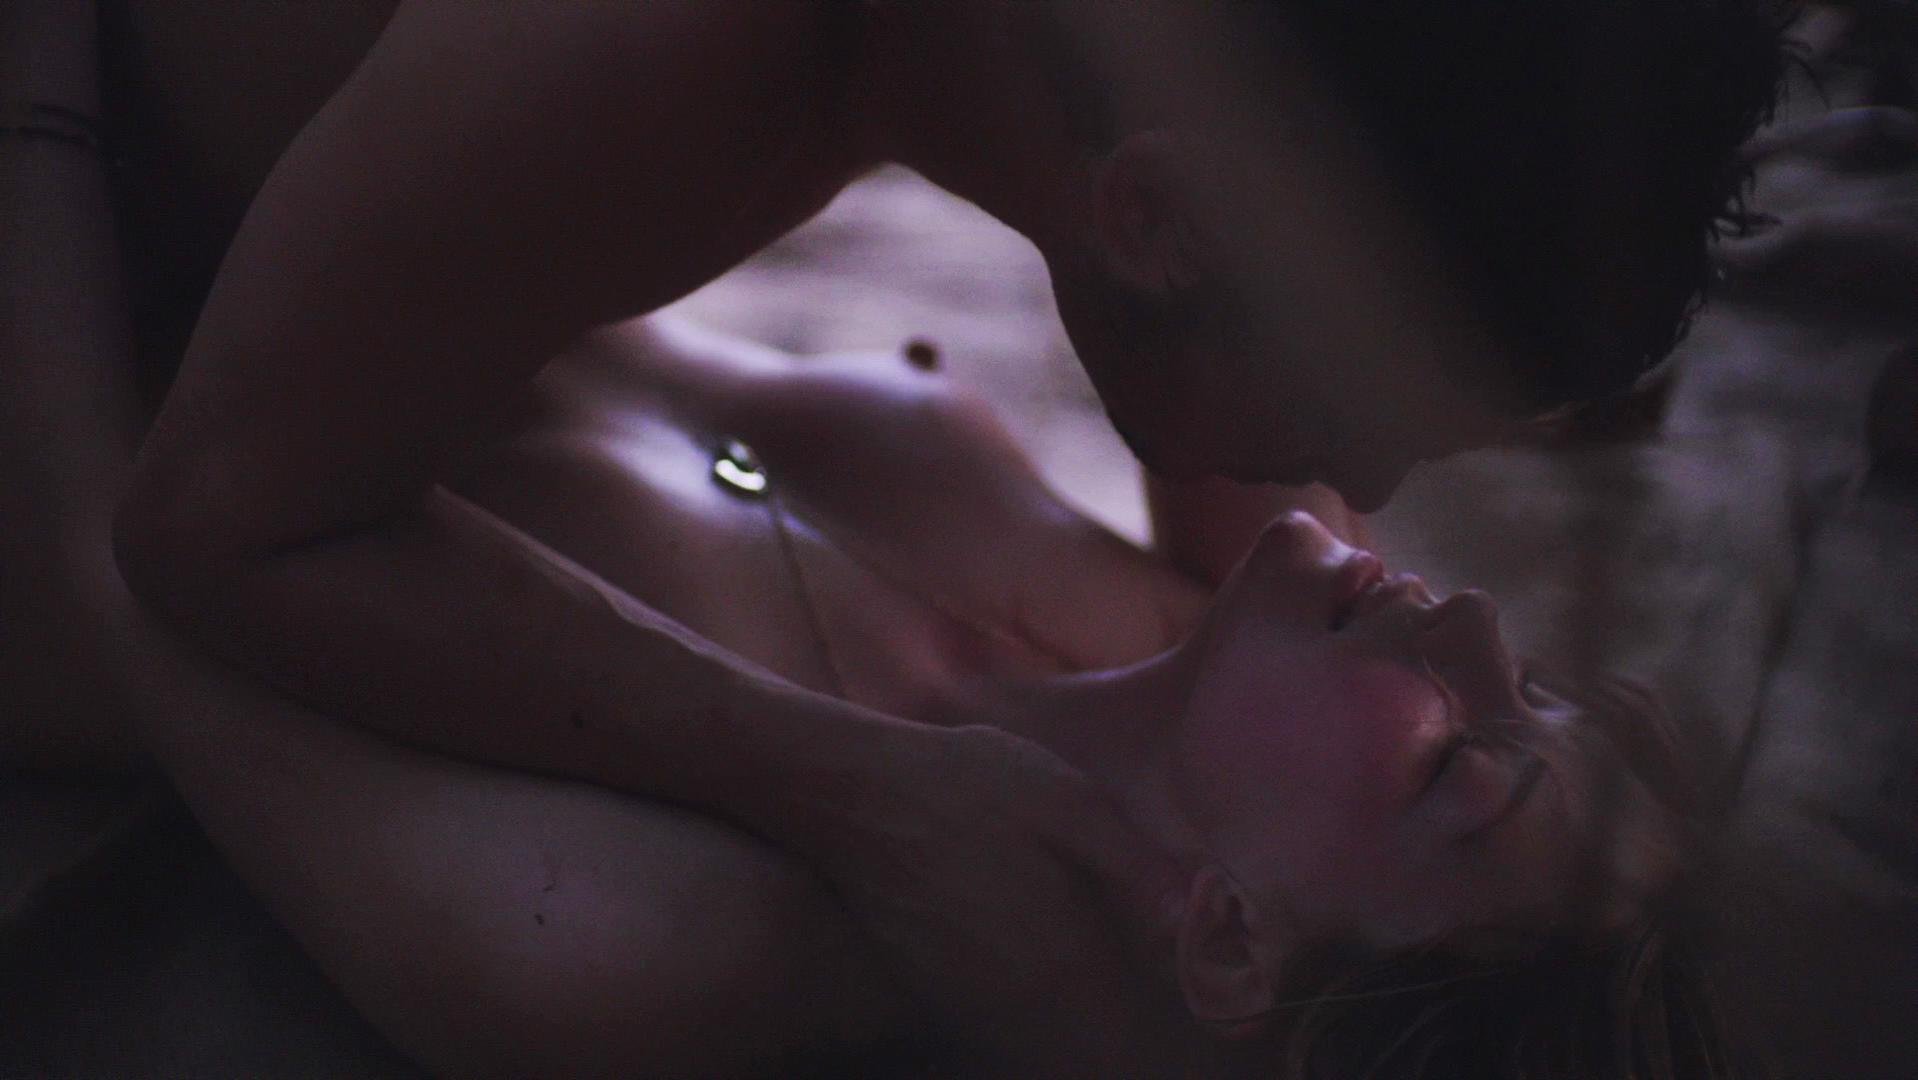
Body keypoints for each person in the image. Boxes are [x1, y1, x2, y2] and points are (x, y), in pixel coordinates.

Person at [13, 0, 1791, 1069]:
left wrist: (39, 94)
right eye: (1549, 693)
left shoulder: (652, 948)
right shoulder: (1192, 615)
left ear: (1237, 944)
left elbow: (136, 551)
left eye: (1462, 765)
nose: (1461, 609)